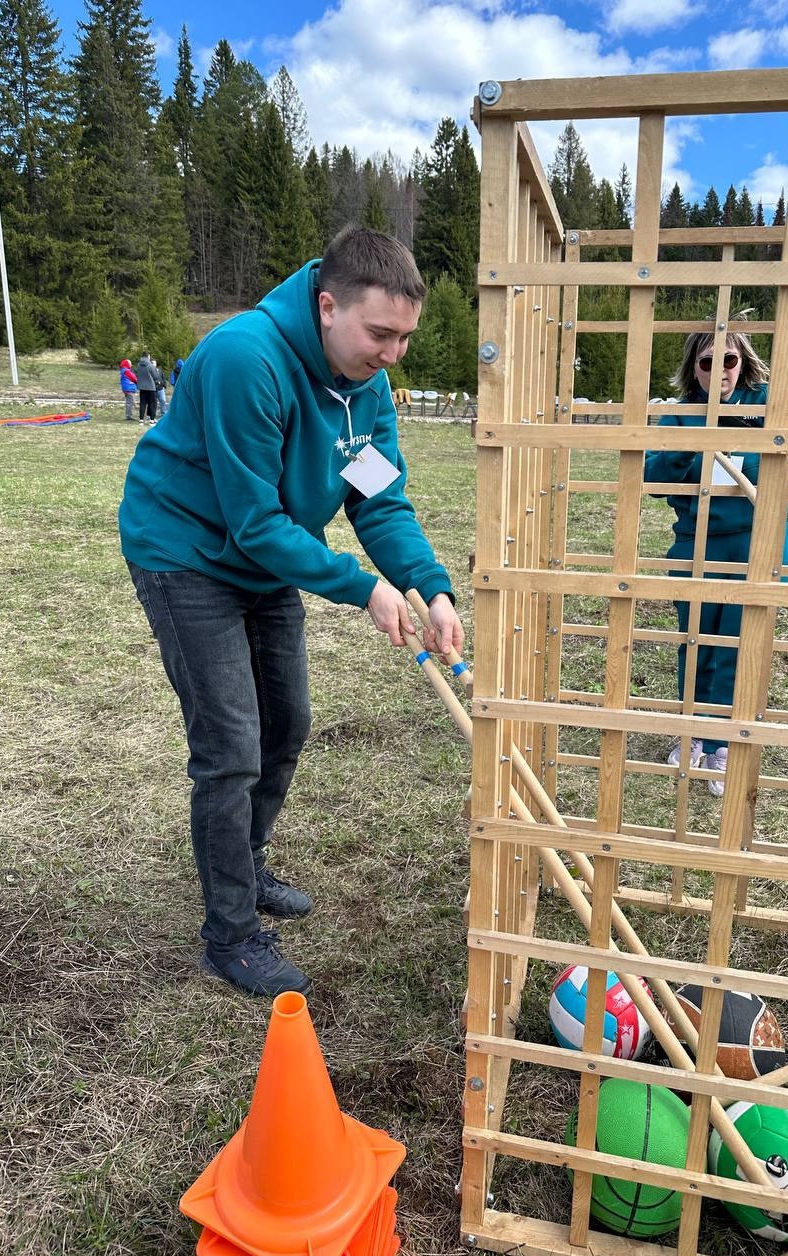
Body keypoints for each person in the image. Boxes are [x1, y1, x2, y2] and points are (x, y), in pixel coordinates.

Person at [118, 228, 464, 998]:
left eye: (405, 338)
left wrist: (428, 587)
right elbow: (254, 521)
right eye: (380, 334)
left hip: (267, 555)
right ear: (329, 305)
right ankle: (230, 934)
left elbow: (379, 500)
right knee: (231, 745)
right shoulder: (247, 359)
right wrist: (362, 588)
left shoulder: (367, 386)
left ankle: (245, 863)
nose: (393, 354)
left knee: (288, 722)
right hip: (186, 552)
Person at [644, 326, 788, 796]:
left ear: (743, 363)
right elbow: (653, 477)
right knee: (697, 638)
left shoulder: (766, 404)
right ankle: (694, 730)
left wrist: (764, 439)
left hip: (760, 540)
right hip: (698, 541)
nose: (719, 371)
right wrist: (690, 447)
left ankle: (725, 742)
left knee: (740, 642)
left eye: (729, 360)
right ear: (694, 367)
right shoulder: (681, 414)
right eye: (708, 361)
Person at [135, 350, 159, 426]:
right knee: (152, 404)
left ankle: (141, 420)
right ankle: (152, 421)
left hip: (142, 387)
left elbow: (136, 374)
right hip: (151, 387)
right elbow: (156, 376)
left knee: (142, 403)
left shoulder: (138, 365)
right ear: (148, 356)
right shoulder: (150, 365)